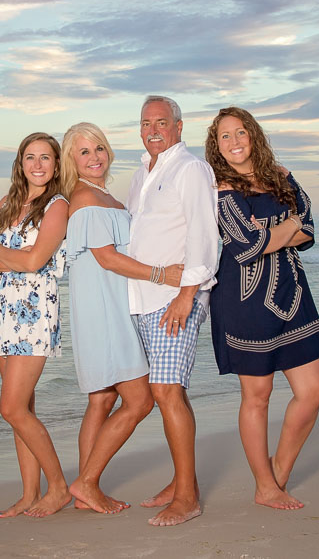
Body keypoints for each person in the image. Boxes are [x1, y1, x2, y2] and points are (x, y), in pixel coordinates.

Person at [204, 107, 319, 510]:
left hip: (294, 296)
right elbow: (246, 247)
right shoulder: (221, 189)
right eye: (225, 136)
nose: (234, 141)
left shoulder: (280, 174)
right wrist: (285, 226)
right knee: (258, 395)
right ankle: (264, 486)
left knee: (314, 391)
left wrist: (282, 230)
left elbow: (308, 227)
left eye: (240, 132)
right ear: (216, 146)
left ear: (253, 135)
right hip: (245, 301)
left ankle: (279, 470)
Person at [59, 122, 184, 514]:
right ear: (72, 160)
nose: (94, 156)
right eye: (84, 152)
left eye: (98, 148)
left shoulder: (102, 195)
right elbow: (107, 258)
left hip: (108, 305)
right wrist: (163, 274)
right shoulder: (86, 198)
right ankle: (87, 482)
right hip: (106, 311)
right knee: (140, 401)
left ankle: (85, 493)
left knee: (102, 399)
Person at [126, 95, 220, 526]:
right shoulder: (141, 173)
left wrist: (187, 294)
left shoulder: (191, 169)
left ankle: (187, 498)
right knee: (172, 392)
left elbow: (204, 234)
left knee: (165, 391)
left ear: (179, 127)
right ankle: (185, 481)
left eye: (162, 122)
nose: (153, 130)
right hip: (142, 299)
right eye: (146, 123)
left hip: (175, 299)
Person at [0, 132, 71, 518]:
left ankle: (59, 487)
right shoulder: (7, 201)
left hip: (34, 315)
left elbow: (35, 263)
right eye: (30, 157)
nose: (37, 165)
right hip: (3, 313)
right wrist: (6, 253)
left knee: (11, 408)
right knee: (24, 407)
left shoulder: (58, 206)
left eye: (45, 158)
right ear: (20, 163)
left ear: (56, 164)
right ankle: (30, 493)